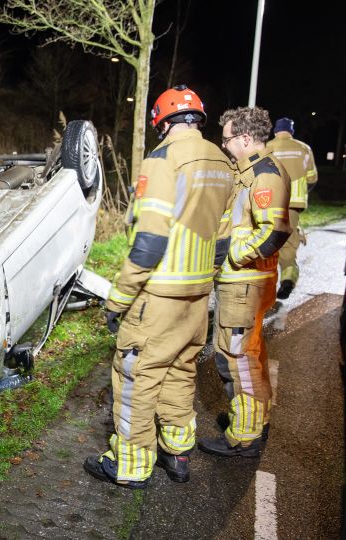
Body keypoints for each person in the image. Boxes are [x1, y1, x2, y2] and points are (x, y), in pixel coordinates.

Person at [84, 85, 235, 488]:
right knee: (182, 371)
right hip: (198, 296)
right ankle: (178, 451)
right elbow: (224, 237)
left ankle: (131, 464)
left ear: (162, 122)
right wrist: (206, 281)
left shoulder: (163, 159)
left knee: (136, 374)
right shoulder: (224, 162)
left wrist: (118, 299)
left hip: (159, 295)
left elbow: (149, 241)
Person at [199, 107, 291, 457]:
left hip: (245, 281)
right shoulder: (249, 171)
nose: (224, 145)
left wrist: (233, 254)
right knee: (249, 353)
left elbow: (274, 232)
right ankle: (255, 419)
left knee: (234, 357)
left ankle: (245, 436)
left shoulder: (263, 174)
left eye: (227, 139)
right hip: (246, 280)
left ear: (246, 138)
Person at [265, 117, 318, 299]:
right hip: (293, 206)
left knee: (266, 243)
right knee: (288, 245)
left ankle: (263, 288)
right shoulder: (304, 149)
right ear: (291, 131)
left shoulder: (267, 147)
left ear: (276, 131)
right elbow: (312, 178)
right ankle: (288, 280)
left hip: (269, 204)